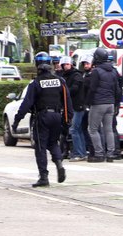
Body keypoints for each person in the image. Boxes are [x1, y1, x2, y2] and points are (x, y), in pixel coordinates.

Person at [12, 51, 73, 187]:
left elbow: (26, 103)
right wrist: (67, 120)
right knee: (53, 143)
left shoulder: (36, 83)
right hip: (57, 116)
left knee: (40, 146)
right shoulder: (60, 81)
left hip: (42, 117)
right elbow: (67, 101)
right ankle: (58, 163)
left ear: (37, 65)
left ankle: (44, 177)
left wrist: (17, 121)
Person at [86, 47, 121, 163]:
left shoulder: (96, 71)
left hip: (98, 103)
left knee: (93, 129)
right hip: (110, 103)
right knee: (109, 129)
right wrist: (116, 103)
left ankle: (99, 153)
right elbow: (117, 89)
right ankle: (111, 153)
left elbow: (92, 88)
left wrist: (88, 102)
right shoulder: (113, 71)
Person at [60, 56, 87, 162]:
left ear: (71, 64)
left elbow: (74, 89)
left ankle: (78, 153)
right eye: (64, 65)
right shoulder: (66, 76)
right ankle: (82, 152)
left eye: (67, 64)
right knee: (78, 130)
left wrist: (63, 92)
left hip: (77, 106)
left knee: (73, 129)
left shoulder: (76, 75)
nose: (66, 66)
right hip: (73, 106)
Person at [79, 54, 95, 157]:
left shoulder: (92, 75)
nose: (85, 65)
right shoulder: (84, 75)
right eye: (84, 63)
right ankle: (88, 148)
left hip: (90, 105)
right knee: (83, 127)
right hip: (85, 104)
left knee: (92, 129)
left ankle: (92, 149)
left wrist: (87, 103)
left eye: (87, 63)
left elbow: (90, 91)